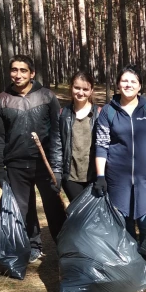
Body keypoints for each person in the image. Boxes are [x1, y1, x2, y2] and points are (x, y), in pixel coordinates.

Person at [0, 54, 66, 263]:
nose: (18, 75)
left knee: (53, 206)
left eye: (23, 70)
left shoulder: (47, 97)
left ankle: (64, 246)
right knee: (25, 209)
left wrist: (57, 167)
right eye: (14, 70)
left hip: (45, 163)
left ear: (32, 73)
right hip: (16, 165)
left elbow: (57, 133)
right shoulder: (1, 100)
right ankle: (33, 245)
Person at [93, 65, 146, 243]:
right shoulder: (108, 111)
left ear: (140, 86)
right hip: (118, 179)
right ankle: (129, 265)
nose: (128, 85)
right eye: (124, 81)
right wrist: (100, 176)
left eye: (133, 81)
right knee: (124, 226)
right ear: (118, 84)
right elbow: (102, 144)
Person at [59, 71, 100, 202]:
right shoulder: (62, 114)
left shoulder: (100, 114)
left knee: (94, 216)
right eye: (77, 88)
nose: (80, 92)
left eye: (85, 89)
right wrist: (57, 172)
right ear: (71, 87)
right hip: (71, 176)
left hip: (94, 175)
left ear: (91, 90)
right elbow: (57, 145)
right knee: (78, 213)